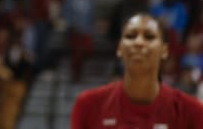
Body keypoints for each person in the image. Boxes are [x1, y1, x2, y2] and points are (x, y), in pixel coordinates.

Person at [71, 13, 203, 129]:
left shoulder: (191, 111)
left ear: (164, 51)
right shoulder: (88, 105)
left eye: (149, 37)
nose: (138, 42)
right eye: (130, 36)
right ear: (119, 48)